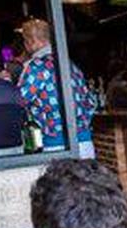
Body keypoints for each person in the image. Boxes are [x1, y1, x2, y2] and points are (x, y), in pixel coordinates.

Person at [16, 18, 98, 157]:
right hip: (85, 141)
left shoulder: (37, 66)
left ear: (32, 41)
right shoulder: (71, 65)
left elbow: (20, 100)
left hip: (56, 144)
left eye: (25, 41)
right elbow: (91, 102)